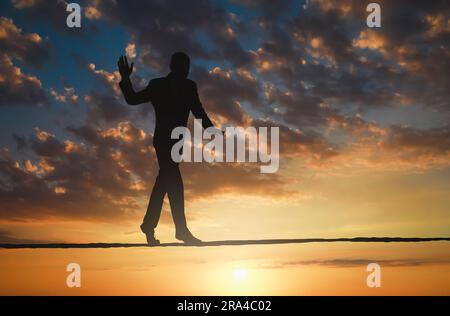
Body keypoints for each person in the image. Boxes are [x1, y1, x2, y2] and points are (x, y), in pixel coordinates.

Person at [117, 52, 215, 245]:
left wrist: (212, 131)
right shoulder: (157, 85)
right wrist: (125, 79)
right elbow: (133, 99)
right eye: (182, 68)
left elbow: (198, 110)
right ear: (173, 67)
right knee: (175, 182)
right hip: (163, 141)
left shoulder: (189, 86)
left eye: (187, 69)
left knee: (164, 183)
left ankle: (149, 225)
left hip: (177, 143)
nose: (185, 72)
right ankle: (181, 230)